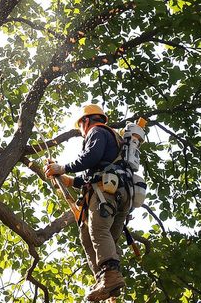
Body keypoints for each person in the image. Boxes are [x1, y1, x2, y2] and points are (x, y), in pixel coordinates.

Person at [46, 104, 130, 301]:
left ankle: (110, 277)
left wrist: (63, 167)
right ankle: (106, 282)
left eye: (81, 125)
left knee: (97, 231)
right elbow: (93, 172)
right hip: (121, 194)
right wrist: (68, 181)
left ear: (86, 121)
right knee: (88, 235)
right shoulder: (113, 139)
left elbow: (90, 157)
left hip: (107, 192)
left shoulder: (97, 131)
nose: (82, 131)